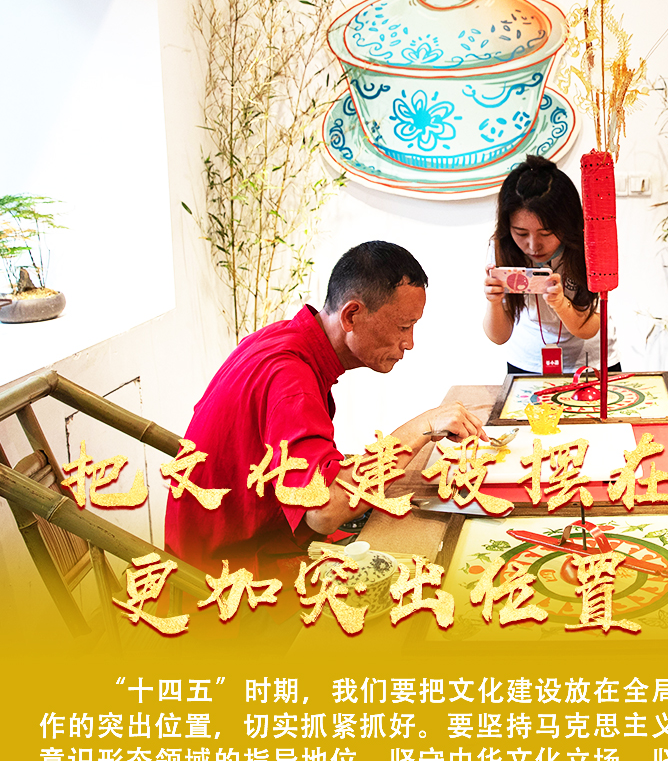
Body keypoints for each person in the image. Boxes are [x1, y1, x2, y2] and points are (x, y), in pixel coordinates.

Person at [165, 240, 484, 573]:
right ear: (351, 315)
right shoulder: (291, 380)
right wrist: (421, 427)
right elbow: (323, 509)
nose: (410, 342)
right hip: (226, 573)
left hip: (255, 539)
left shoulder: (286, 338)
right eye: (403, 326)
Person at [483, 154, 620, 374]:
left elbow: (588, 329)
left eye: (546, 233)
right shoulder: (502, 247)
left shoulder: (587, 245)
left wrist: (560, 303)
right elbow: (498, 336)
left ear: (567, 223)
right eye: (521, 233)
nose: (533, 245)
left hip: (589, 362)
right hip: (527, 362)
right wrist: (494, 302)